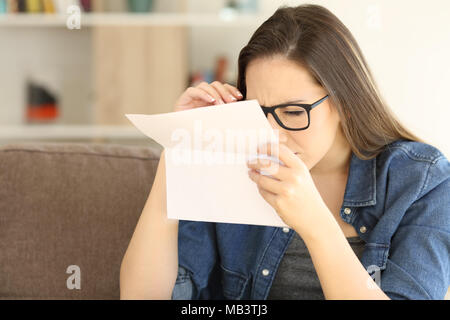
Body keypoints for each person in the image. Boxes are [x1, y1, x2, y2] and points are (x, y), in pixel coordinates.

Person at [119, 4, 450, 300]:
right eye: (259, 112)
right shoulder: (231, 164)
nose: (273, 135)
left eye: (293, 112)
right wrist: (178, 153)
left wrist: (316, 224)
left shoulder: (422, 181)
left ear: (347, 105)